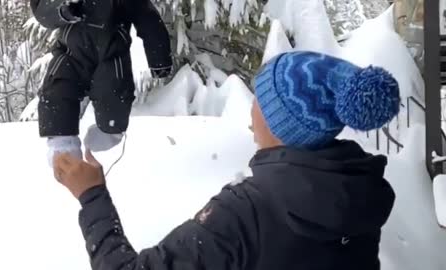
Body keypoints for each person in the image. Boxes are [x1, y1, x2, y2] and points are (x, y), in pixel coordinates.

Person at [53, 51, 400, 270]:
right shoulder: (358, 192)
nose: (251, 117)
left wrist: (91, 195)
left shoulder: (246, 213)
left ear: (282, 123)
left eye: (260, 102)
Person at [30, 0, 173, 166]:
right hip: (71, 53)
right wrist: (62, 10)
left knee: (113, 92)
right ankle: (63, 146)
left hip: (111, 54)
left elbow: (149, 20)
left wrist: (159, 59)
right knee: (58, 90)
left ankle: (110, 132)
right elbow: (42, 12)